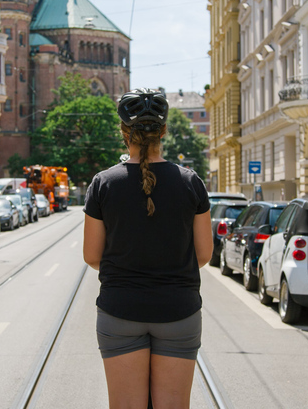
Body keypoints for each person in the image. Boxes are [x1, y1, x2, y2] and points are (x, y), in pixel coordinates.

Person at [83, 88, 213, 409]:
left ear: (124, 132)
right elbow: (204, 255)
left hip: (120, 310)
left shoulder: (103, 183)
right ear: (164, 131)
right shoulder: (190, 182)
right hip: (178, 311)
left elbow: (91, 256)